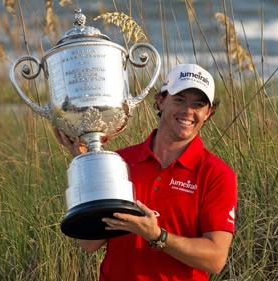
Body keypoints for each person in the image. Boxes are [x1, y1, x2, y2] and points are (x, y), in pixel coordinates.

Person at [55, 64, 237, 281]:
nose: (188, 111)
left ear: (208, 113)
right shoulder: (119, 162)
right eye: (179, 99)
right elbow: (89, 243)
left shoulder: (216, 174)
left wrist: (157, 237)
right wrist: (86, 164)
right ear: (160, 100)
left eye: (198, 105)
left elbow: (215, 259)